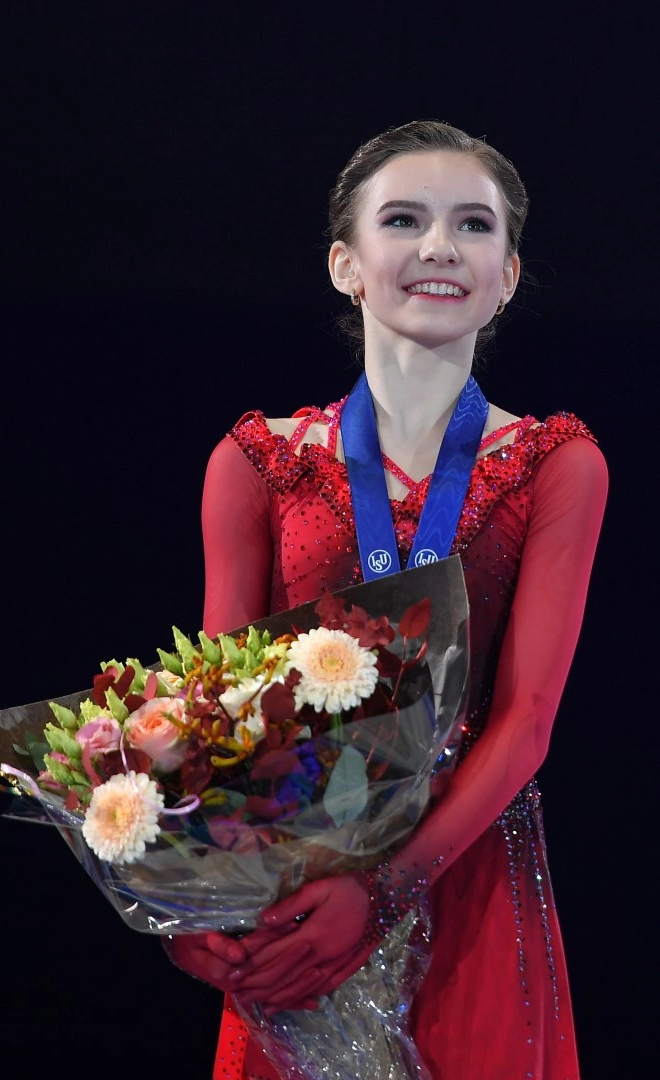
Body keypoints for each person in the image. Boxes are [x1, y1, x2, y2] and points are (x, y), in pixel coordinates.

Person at [164, 119, 608, 1079]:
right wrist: (196, 900)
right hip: (293, 880)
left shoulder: (555, 464)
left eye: (472, 225)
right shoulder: (256, 462)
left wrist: (386, 887)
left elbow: (527, 720)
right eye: (403, 219)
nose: (439, 246)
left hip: (468, 872)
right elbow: (215, 710)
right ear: (345, 265)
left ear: (507, 276)